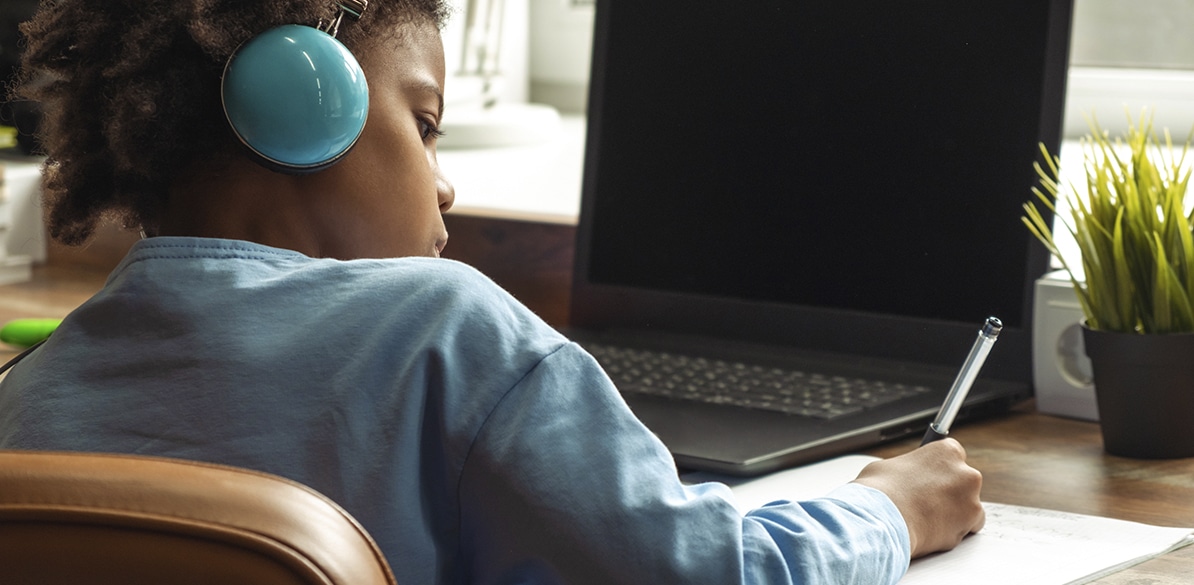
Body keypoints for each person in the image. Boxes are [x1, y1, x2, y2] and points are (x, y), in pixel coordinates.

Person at [0, 1, 985, 583]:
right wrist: (889, 509)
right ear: (303, 99)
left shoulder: (30, 392)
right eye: (424, 124)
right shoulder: (446, 334)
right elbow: (710, 573)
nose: (444, 184)